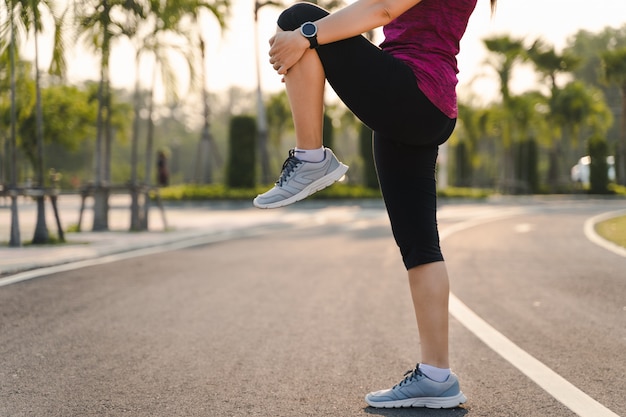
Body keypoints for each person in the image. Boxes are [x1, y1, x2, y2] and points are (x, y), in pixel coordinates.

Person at [253, 0, 496, 409]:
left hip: (414, 90)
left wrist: (306, 37)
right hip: (419, 102)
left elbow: (382, 9)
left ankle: (311, 158)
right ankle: (437, 377)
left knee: (299, 20)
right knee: (420, 247)